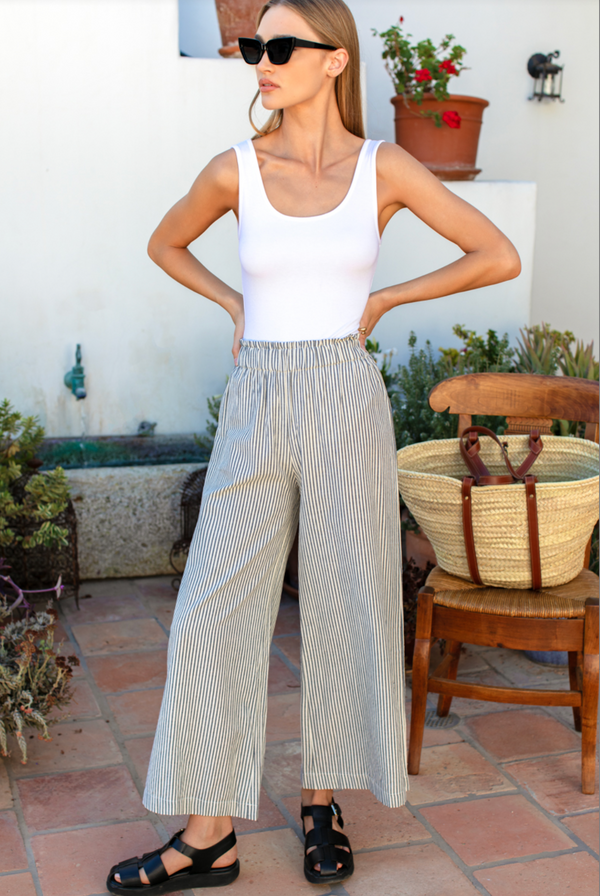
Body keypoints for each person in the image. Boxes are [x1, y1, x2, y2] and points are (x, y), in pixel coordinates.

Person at [107, 0, 520, 892]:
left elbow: (496, 255)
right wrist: (231, 303)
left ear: (335, 61)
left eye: (281, 45)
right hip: (258, 393)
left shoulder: (386, 167)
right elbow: (164, 242)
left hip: (343, 390)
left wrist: (382, 303)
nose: (261, 59)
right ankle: (208, 831)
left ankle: (320, 803)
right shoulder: (235, 169)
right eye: (255, 45)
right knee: (213, 608)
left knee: (345, 600)